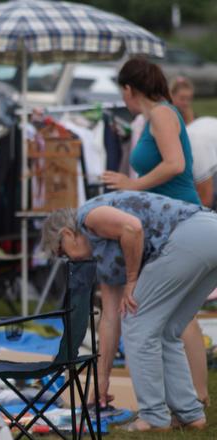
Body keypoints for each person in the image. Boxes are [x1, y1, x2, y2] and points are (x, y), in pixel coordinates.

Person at [42, 190, 217, 431]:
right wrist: (102, 380)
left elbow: (132, 228)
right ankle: (190, 414)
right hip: (207, 236)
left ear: (67, 234)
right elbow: (110, 319)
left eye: (61, 253)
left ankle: (154, 417)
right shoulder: (103, 254)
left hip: (189, 236)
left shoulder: (88, 216)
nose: (68, 260)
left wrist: (133, 279)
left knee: (136, 322)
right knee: (167, 329)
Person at [99, 57, 209, 410]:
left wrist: (132, 185)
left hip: (179, 223)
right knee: (168, 318)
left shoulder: (161, 113)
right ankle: (181, 398)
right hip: (165, 226)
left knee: (173, 318)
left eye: (123, 93)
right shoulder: (151, 117)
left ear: (130, 90)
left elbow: (175, 164)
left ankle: (194, 395)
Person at [170, 76, 217, 208]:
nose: (185, 103)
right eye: (182, 98)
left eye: (188, 99)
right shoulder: (168, 117)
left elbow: (205, 195)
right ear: (171, 96)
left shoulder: (195, 129)